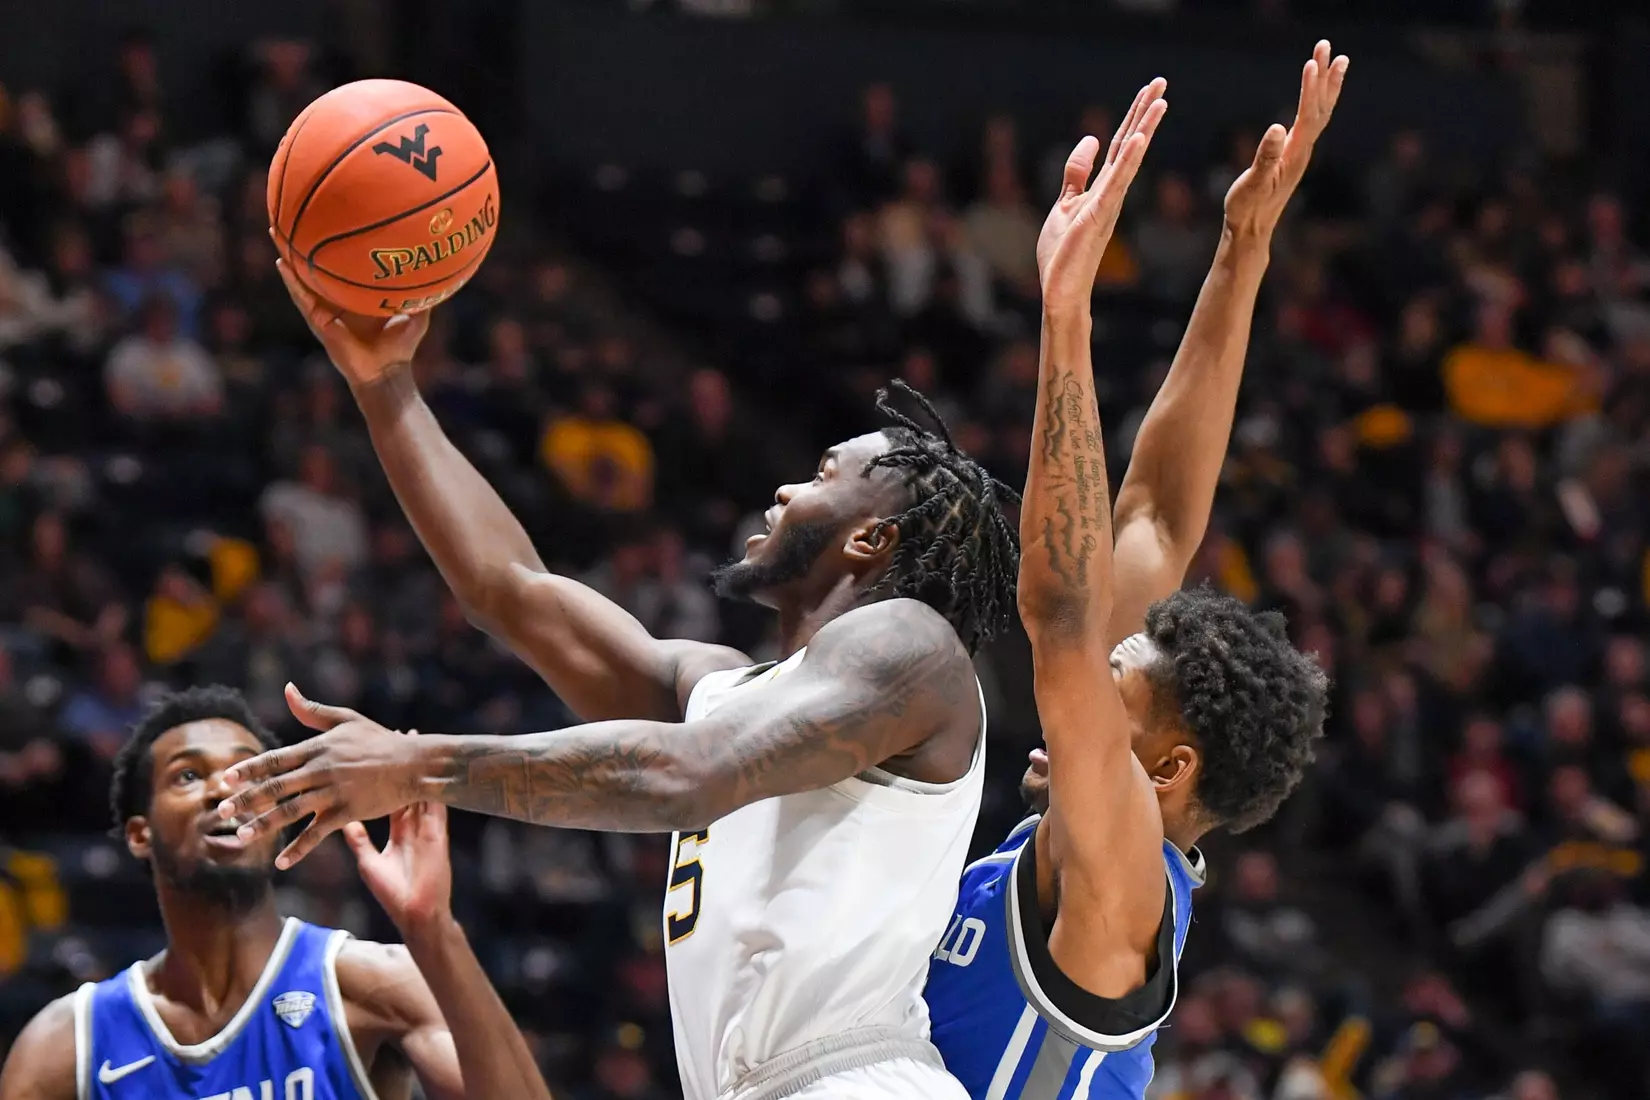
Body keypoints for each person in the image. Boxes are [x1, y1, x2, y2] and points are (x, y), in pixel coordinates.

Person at [208, 176, 1032, 1098]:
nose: (785, 491)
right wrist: (384, 384)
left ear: (872, 538)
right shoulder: (724, 688)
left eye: (822, 474)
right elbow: (508, 590)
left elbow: (691, 776)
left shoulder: (911, 651)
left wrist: (414, 763)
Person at [922, 45, 1345, 1100]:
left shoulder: (1120, 879)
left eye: (1113, 690)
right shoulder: (1090, 843)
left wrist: (1068, 317)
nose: (1073, 697)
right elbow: (1155, 506)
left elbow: (1061, 614)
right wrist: (1244, 246)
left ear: (1166, 768)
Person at [0, 686, 552, 1100]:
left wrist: (435, 931)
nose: (223, 789)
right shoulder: (64, 1047)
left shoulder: (371, 983)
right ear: (141, 835)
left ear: (278, 818)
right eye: (187, 776)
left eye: (248, 774)